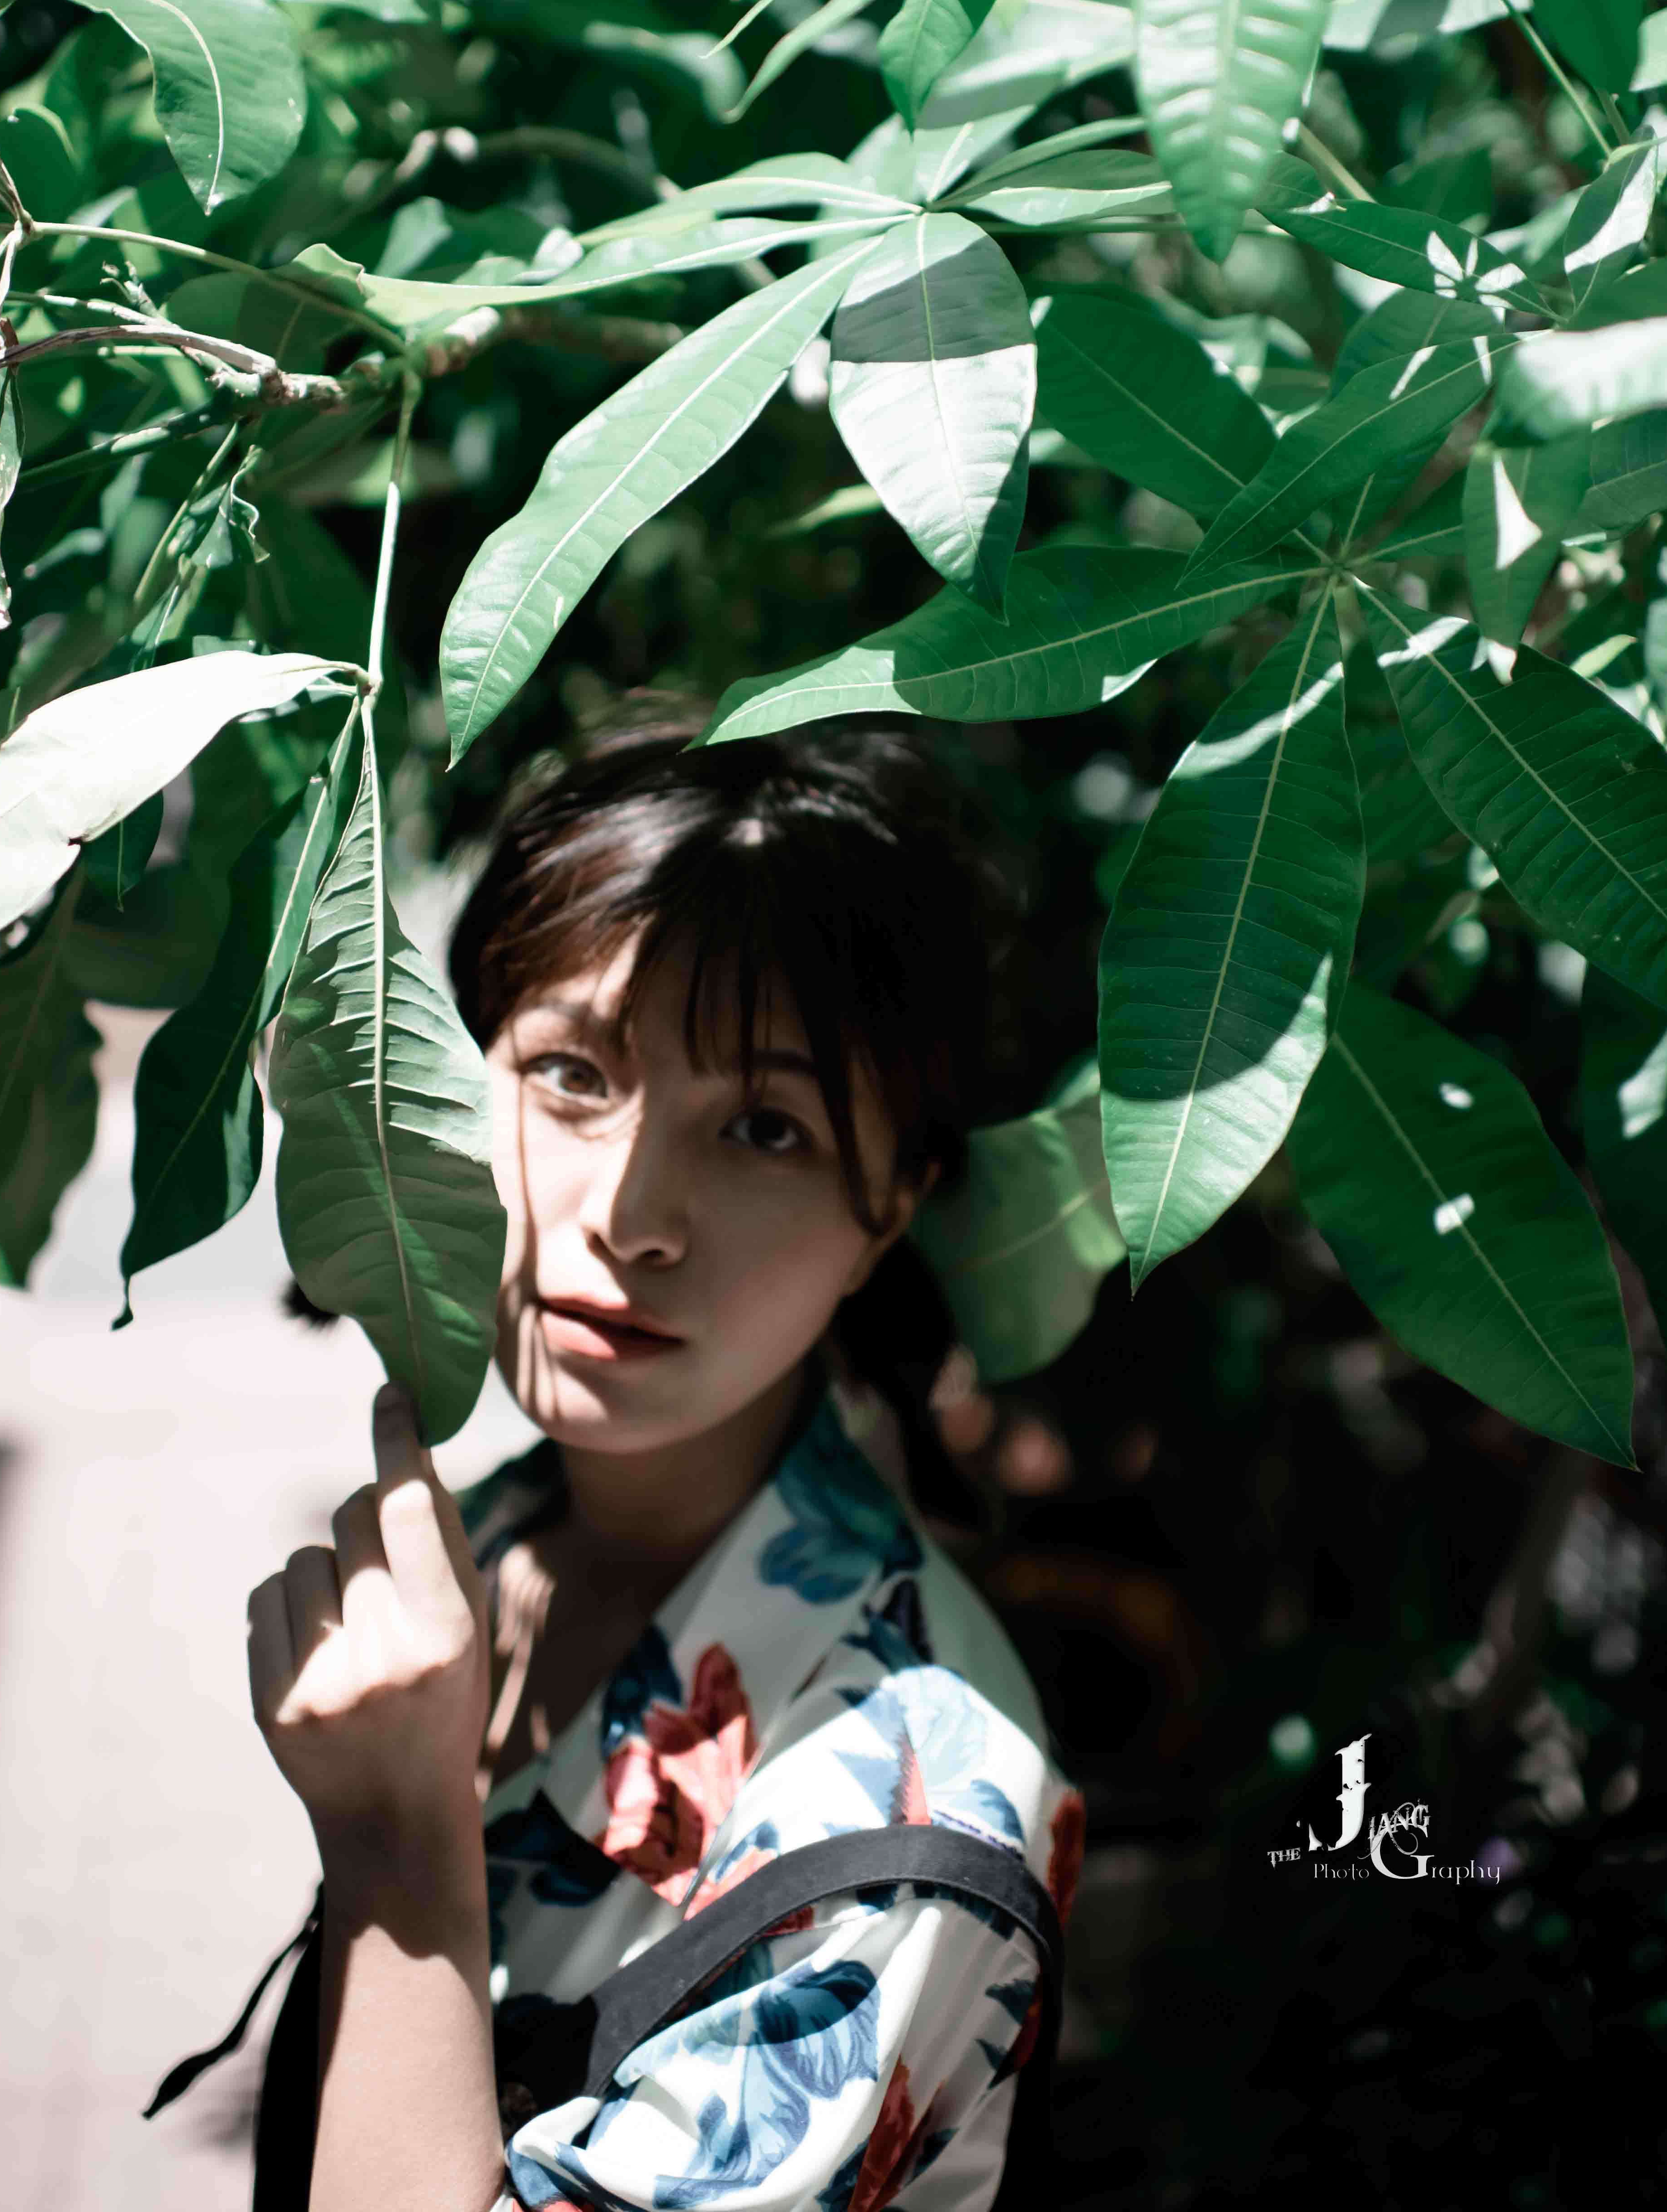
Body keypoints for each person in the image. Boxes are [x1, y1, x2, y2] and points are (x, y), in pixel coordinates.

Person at [241, 701, 1086, 2212]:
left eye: (763, 1127)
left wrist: (396, 1846)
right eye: (573, 1073)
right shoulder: (509, 1537)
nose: (631, 1217)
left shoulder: (902, 1830)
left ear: (893, 1206)